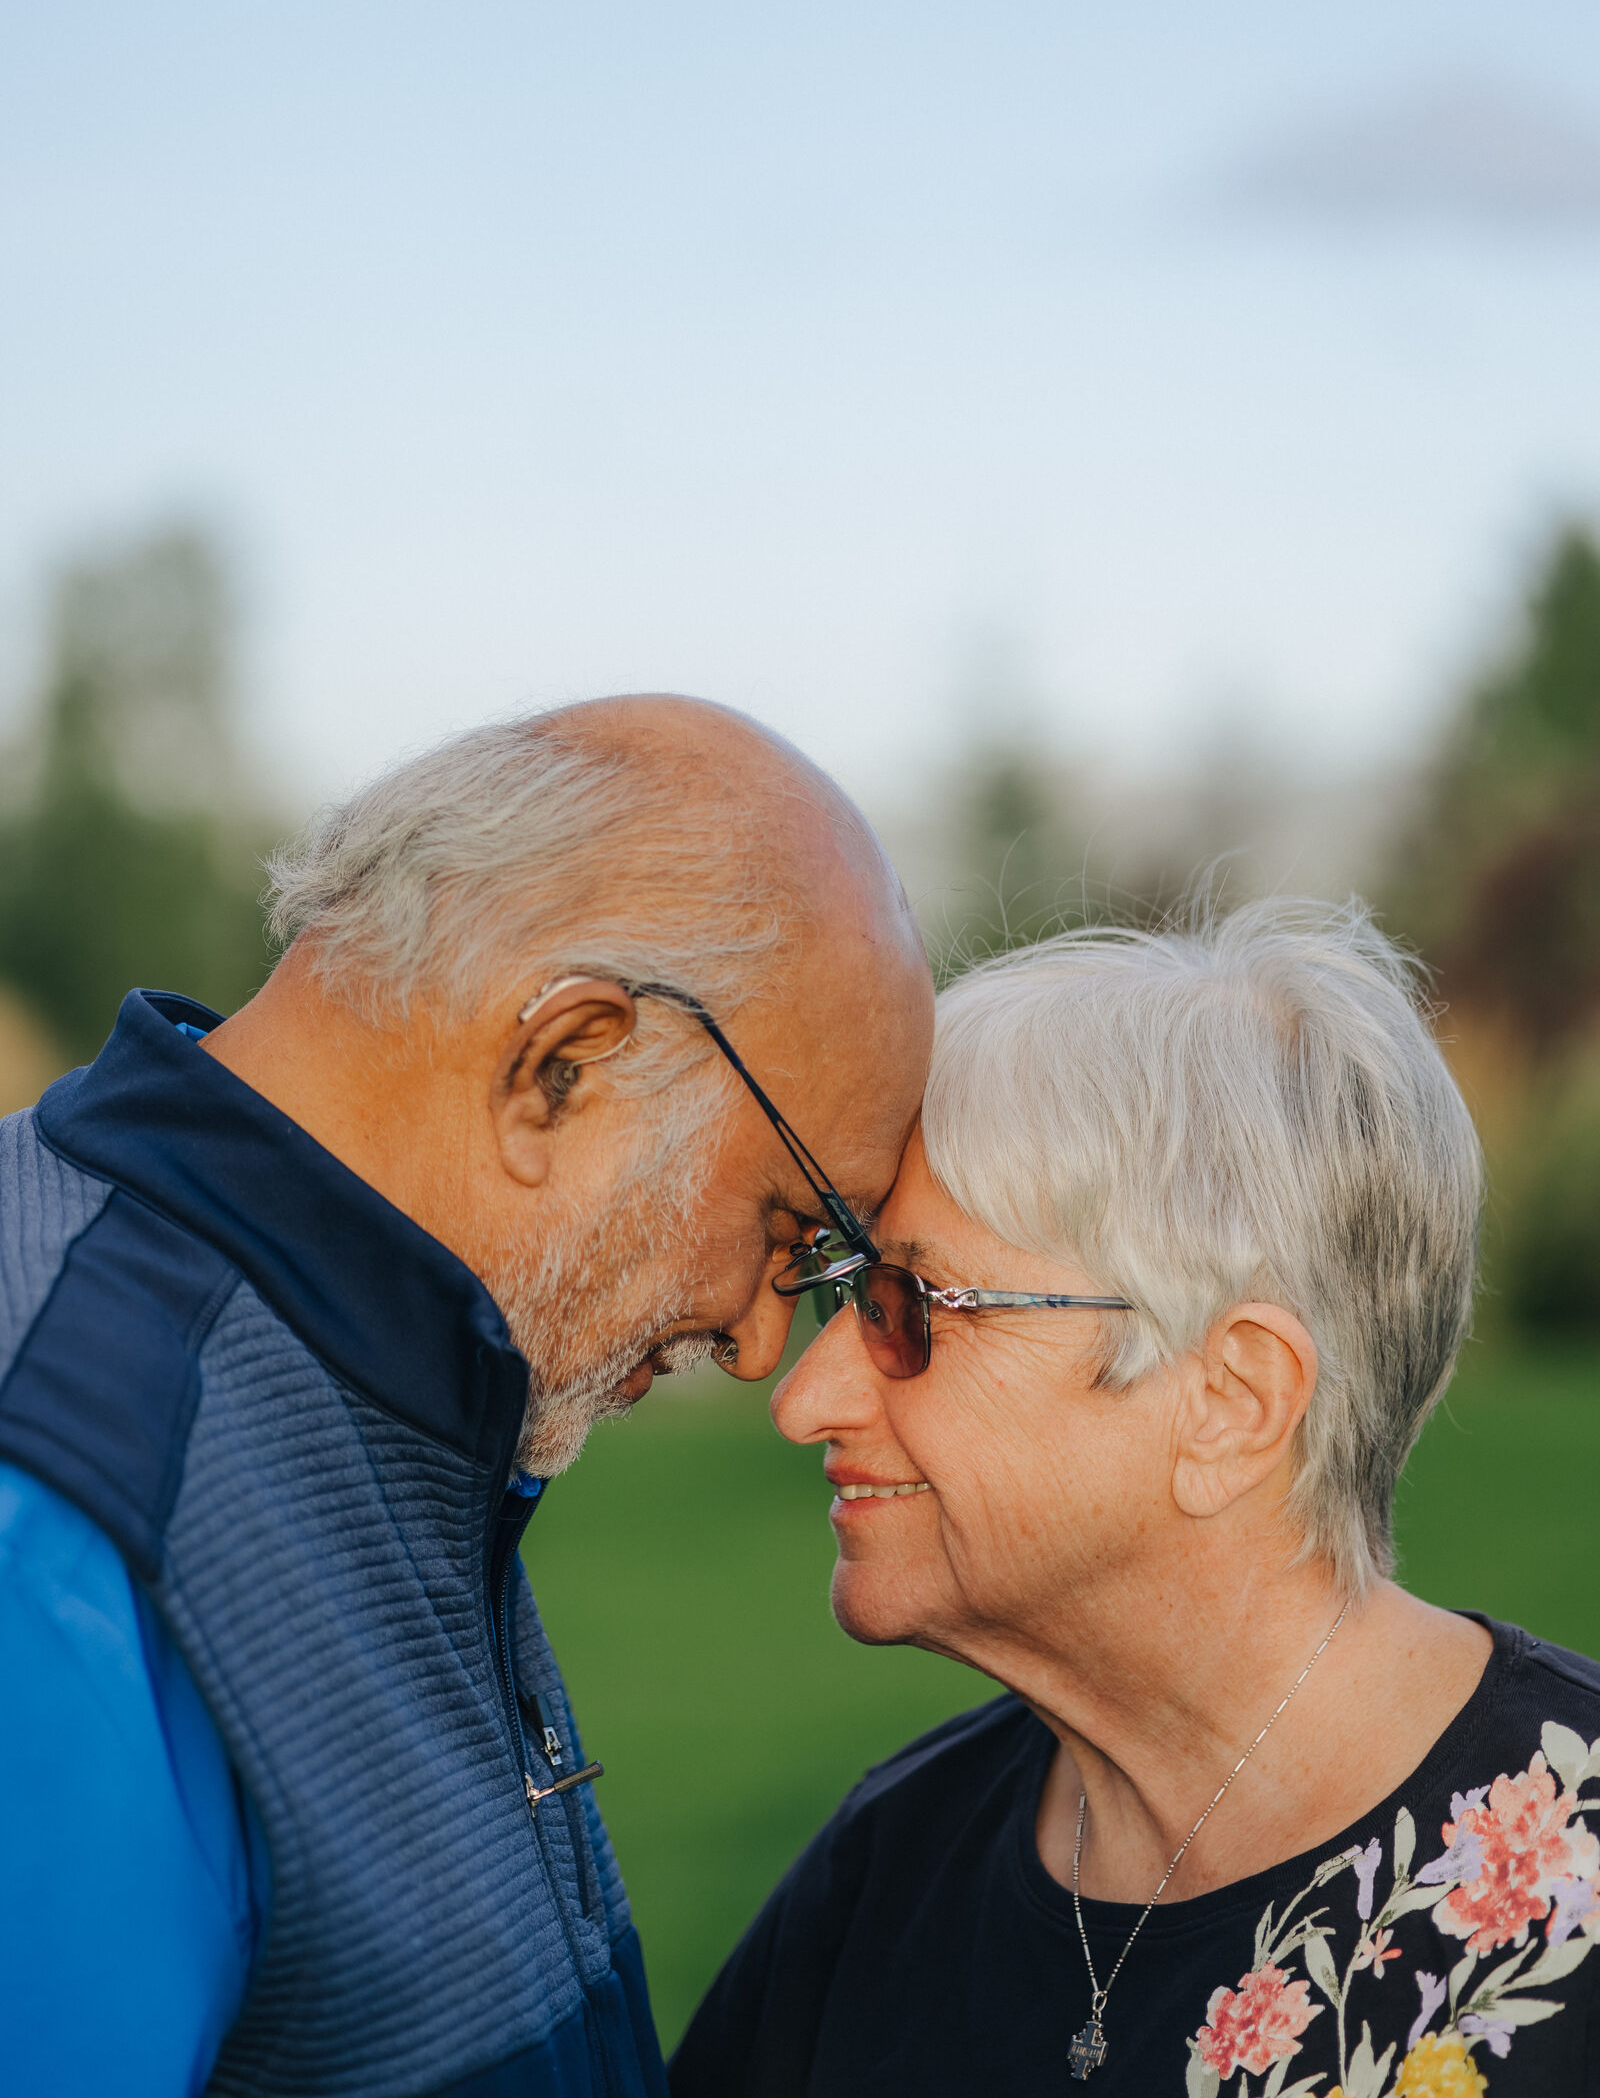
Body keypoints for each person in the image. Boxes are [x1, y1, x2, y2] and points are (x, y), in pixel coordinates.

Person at [0, 696, 932, 2098]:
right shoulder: (64, 1500)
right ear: (564, 1061)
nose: (758, 1347)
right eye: (791, 1229)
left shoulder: (376, 1376)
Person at [672, 901, 1600, 2097]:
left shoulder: (1574, 1878)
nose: (804, 1401)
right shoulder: (891, 1870)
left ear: (1230, 1397)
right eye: (843, 1295)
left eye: (911, 1307)